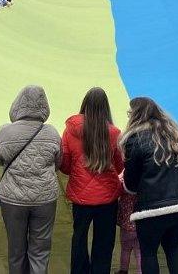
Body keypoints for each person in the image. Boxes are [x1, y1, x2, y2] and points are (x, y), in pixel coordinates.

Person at [120, 97, 178, 274]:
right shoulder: (176, 136)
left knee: (149, 253)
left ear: (135, 116)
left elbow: (130, 185)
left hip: (153, 210)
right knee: (174, 248)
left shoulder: (135, 140)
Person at [0, 85, 62, 274]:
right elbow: (58, 163)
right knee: (40, 251)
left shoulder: (4, 132)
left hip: (12, 199)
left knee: (16, 250)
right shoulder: (52, 133)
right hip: (45, 198)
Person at [60, 87, 124, 274]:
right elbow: (120, 165)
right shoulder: (114, 133)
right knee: (104, 242)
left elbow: (64, 164)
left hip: (80, 196)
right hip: (108, 197)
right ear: (106, 107)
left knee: (78, 238)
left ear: (84, 104)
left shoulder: (70, 130)